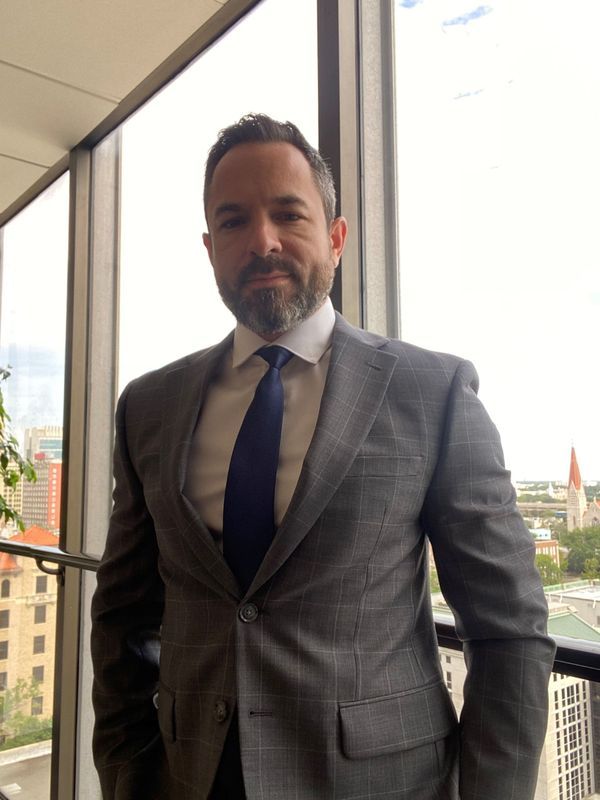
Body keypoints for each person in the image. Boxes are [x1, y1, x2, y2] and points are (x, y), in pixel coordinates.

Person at [91, 113, 555, 800]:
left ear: (336, 239)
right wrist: (130, 776)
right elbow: (124, 620)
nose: (262, 241)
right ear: (210, 248)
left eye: (288, 214)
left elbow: (509, 628)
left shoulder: (433, 392)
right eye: (234, 222)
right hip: (188, 779)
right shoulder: (149, 406)